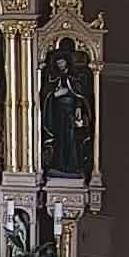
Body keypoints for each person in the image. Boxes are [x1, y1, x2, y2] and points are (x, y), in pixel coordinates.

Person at [40, 47, 93, 177]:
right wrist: (55, 94)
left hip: (71, 112)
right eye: (58, 63)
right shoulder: (52, 77)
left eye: (62, 62)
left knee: (71, 139)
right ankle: (59, 165)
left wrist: (79, 107)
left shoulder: (75, 77)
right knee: (60, 139)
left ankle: (73, 165)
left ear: (66, 62)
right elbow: (46, 94)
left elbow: (80, 95)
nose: (60, 65)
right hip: (58, 113)